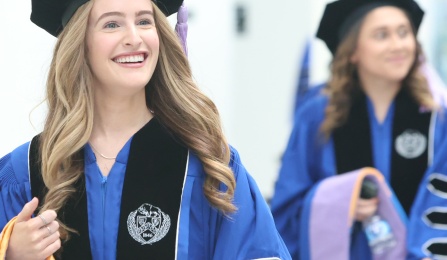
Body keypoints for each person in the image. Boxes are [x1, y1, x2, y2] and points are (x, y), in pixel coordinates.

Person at [0, 0, 292, 259]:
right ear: (79, 42)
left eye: (144, 21)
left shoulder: (206, 165)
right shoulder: (27, 170)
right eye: (112, 24)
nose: (134, 38)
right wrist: (10, 254)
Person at [270, 0, 447, 259]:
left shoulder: (436, 118)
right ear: (352, 51)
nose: (398, 45)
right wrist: (339, 205)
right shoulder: (317, 116)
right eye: (381, 35)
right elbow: (287, 207)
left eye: (404, 32)